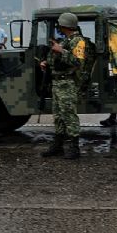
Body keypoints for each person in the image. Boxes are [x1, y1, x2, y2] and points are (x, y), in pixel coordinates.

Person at [39, 12, 86, 159]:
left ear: (65, 25)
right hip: (57, 82)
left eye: (60, 24)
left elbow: (78, 62)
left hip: (67, 83)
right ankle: (58, 145)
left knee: (69, 115)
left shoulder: (78, 41)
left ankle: (74, 147)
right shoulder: (66, 40)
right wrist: (46, 62)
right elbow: (57, 59)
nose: (59, 27)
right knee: (58, 116)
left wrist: (61, 51)